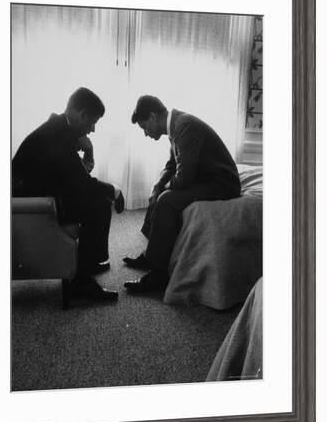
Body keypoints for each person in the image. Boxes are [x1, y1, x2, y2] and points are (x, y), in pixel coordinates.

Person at [12, 87, 125, 302]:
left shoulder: (59, 129)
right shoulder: (59, 136)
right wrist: (115, 190)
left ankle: (89, 263)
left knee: (97, 200)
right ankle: (81, 282)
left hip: (40, 197)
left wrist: (88, 150)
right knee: (99, 204)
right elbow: (82, 182)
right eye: (92, 123)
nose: (92, 130)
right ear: (81, 114)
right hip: (35, 207)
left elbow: (74, 175)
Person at [124, 95, 241, 294]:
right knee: (159, 191)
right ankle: (151, 255)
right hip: (205, 177)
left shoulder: (185, 126)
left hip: (222, 183)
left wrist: (165, 188)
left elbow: (184, 178)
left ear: (153, 117)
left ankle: (159, 276)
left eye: (145, 127)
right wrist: (158, 184)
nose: (145, 133)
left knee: (167, 200)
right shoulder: (176, 126)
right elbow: (172, 164)